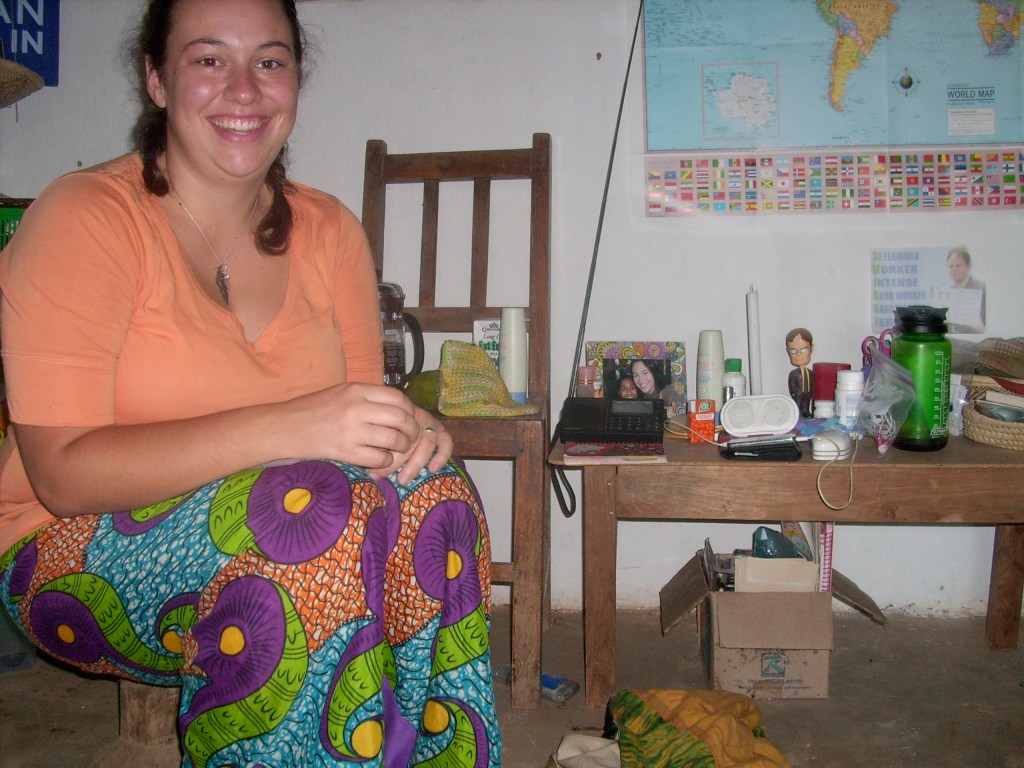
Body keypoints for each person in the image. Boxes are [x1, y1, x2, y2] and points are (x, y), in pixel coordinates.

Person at [0, 2, 499, 766]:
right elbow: (62, 475)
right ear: (156, 79)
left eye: (269, 61)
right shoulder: (87, 217)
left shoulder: (329, 230)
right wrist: (294, 424)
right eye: (209, 59)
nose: (244, 88)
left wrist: (408, 432)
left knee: (439, 497)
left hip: (288, 515)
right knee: (311, 520)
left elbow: (359, 433)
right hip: (70, 542)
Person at [945, 245, 986, 333]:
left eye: (958, 265)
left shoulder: (981, 289)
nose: (954, 269)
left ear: (968, 266)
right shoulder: (948, 292)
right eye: (951, 266)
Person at [786, 328, 814, 418]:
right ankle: (799, 414)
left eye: (803, 350)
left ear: (811, 349)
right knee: (798, 405)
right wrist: (794, 393)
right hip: (798, 394)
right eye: (793, 351)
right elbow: (792, 385)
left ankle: (806, 412)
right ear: (788, 351)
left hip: (808, 393)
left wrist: (811, 391)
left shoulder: (811, 373)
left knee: (806, 403)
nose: (798, 355)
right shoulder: (794, 374)